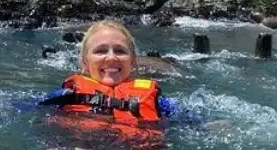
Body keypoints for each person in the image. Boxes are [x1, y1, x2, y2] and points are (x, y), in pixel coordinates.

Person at [35, 20, 188, 147]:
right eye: (100, 51)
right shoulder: (64, 97)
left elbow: (192, 121)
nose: (111, 58)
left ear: (133, 61)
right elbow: (27, 109)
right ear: (85, 62)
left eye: (120, 51)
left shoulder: (159, 103)